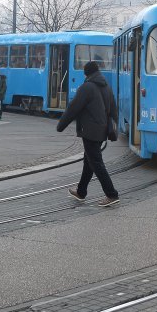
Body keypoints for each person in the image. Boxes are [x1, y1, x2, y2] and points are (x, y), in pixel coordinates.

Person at [57, 60, 120, 207]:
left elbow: (73, 108)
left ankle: (112, 194)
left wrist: (61, 125)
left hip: (91, 131)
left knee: (96, 163)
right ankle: (81, 192)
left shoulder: (87, 87)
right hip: (101, 129)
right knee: (89, 162)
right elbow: (113, 109)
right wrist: (113, 130)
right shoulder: (106, 86)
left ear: (86, 73)